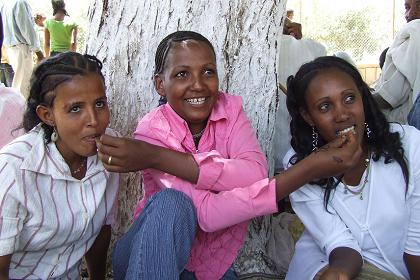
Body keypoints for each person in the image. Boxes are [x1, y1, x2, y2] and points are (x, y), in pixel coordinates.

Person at [95, 31, 361, 280]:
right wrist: (308, 168)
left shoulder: (229, 111)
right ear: (160, 85)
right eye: (182, 74)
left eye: (207, 72)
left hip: (211, 265)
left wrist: (156, 157)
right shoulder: (152, 131)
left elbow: (254, 173)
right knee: (171, 203)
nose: (198, 85)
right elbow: (208, 215)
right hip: (147, 257)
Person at [283, 56, 420, 280]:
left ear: (362, 98)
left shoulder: (410, 144)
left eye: (349, 98)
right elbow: (337, 240)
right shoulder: (302, 165)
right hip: (330, 261)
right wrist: (339, 273)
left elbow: (417, 244)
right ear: (308, 116)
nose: (342, 115)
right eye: (325, 106)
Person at [0, 52, 120, 279]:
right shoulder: (14, 170)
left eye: (99, 104)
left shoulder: (109, 153)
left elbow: (102, 227)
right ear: (47, 115)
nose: (93, 120)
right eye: (75, 109)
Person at [373, 0, 420, 124]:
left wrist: (358, 96)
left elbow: (388, 98)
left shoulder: (415, 31)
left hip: (408, 130)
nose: (406, 15)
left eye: (408, 7)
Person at [0, 0, 44, 98]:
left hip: (11, 48)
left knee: (18, 82)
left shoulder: (5, 4)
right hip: (21, 47)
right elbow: (27, 29)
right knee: (23, 86)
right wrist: (38, 51)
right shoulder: (20, 3)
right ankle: (21, 111)